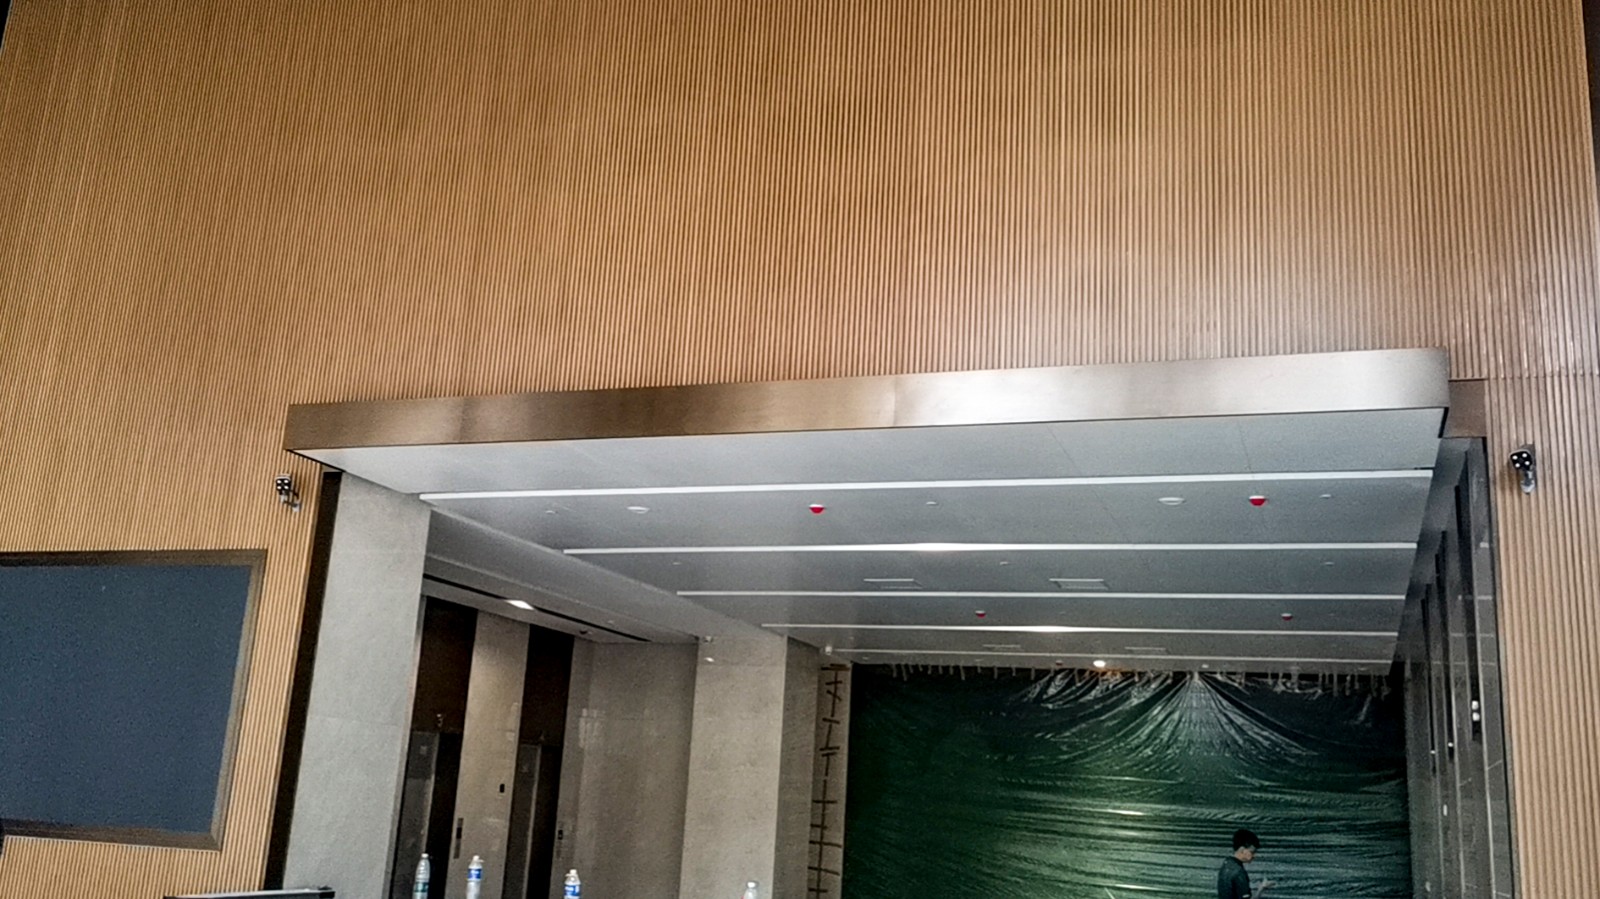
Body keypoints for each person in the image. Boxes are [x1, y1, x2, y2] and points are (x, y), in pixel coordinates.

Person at [1217, 828, 1271, 899]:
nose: (1254, 856)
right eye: (1252, 852)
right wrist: (1261, 889)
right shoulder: (1239, 873)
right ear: (1242, 850)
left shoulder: (1226, 864)